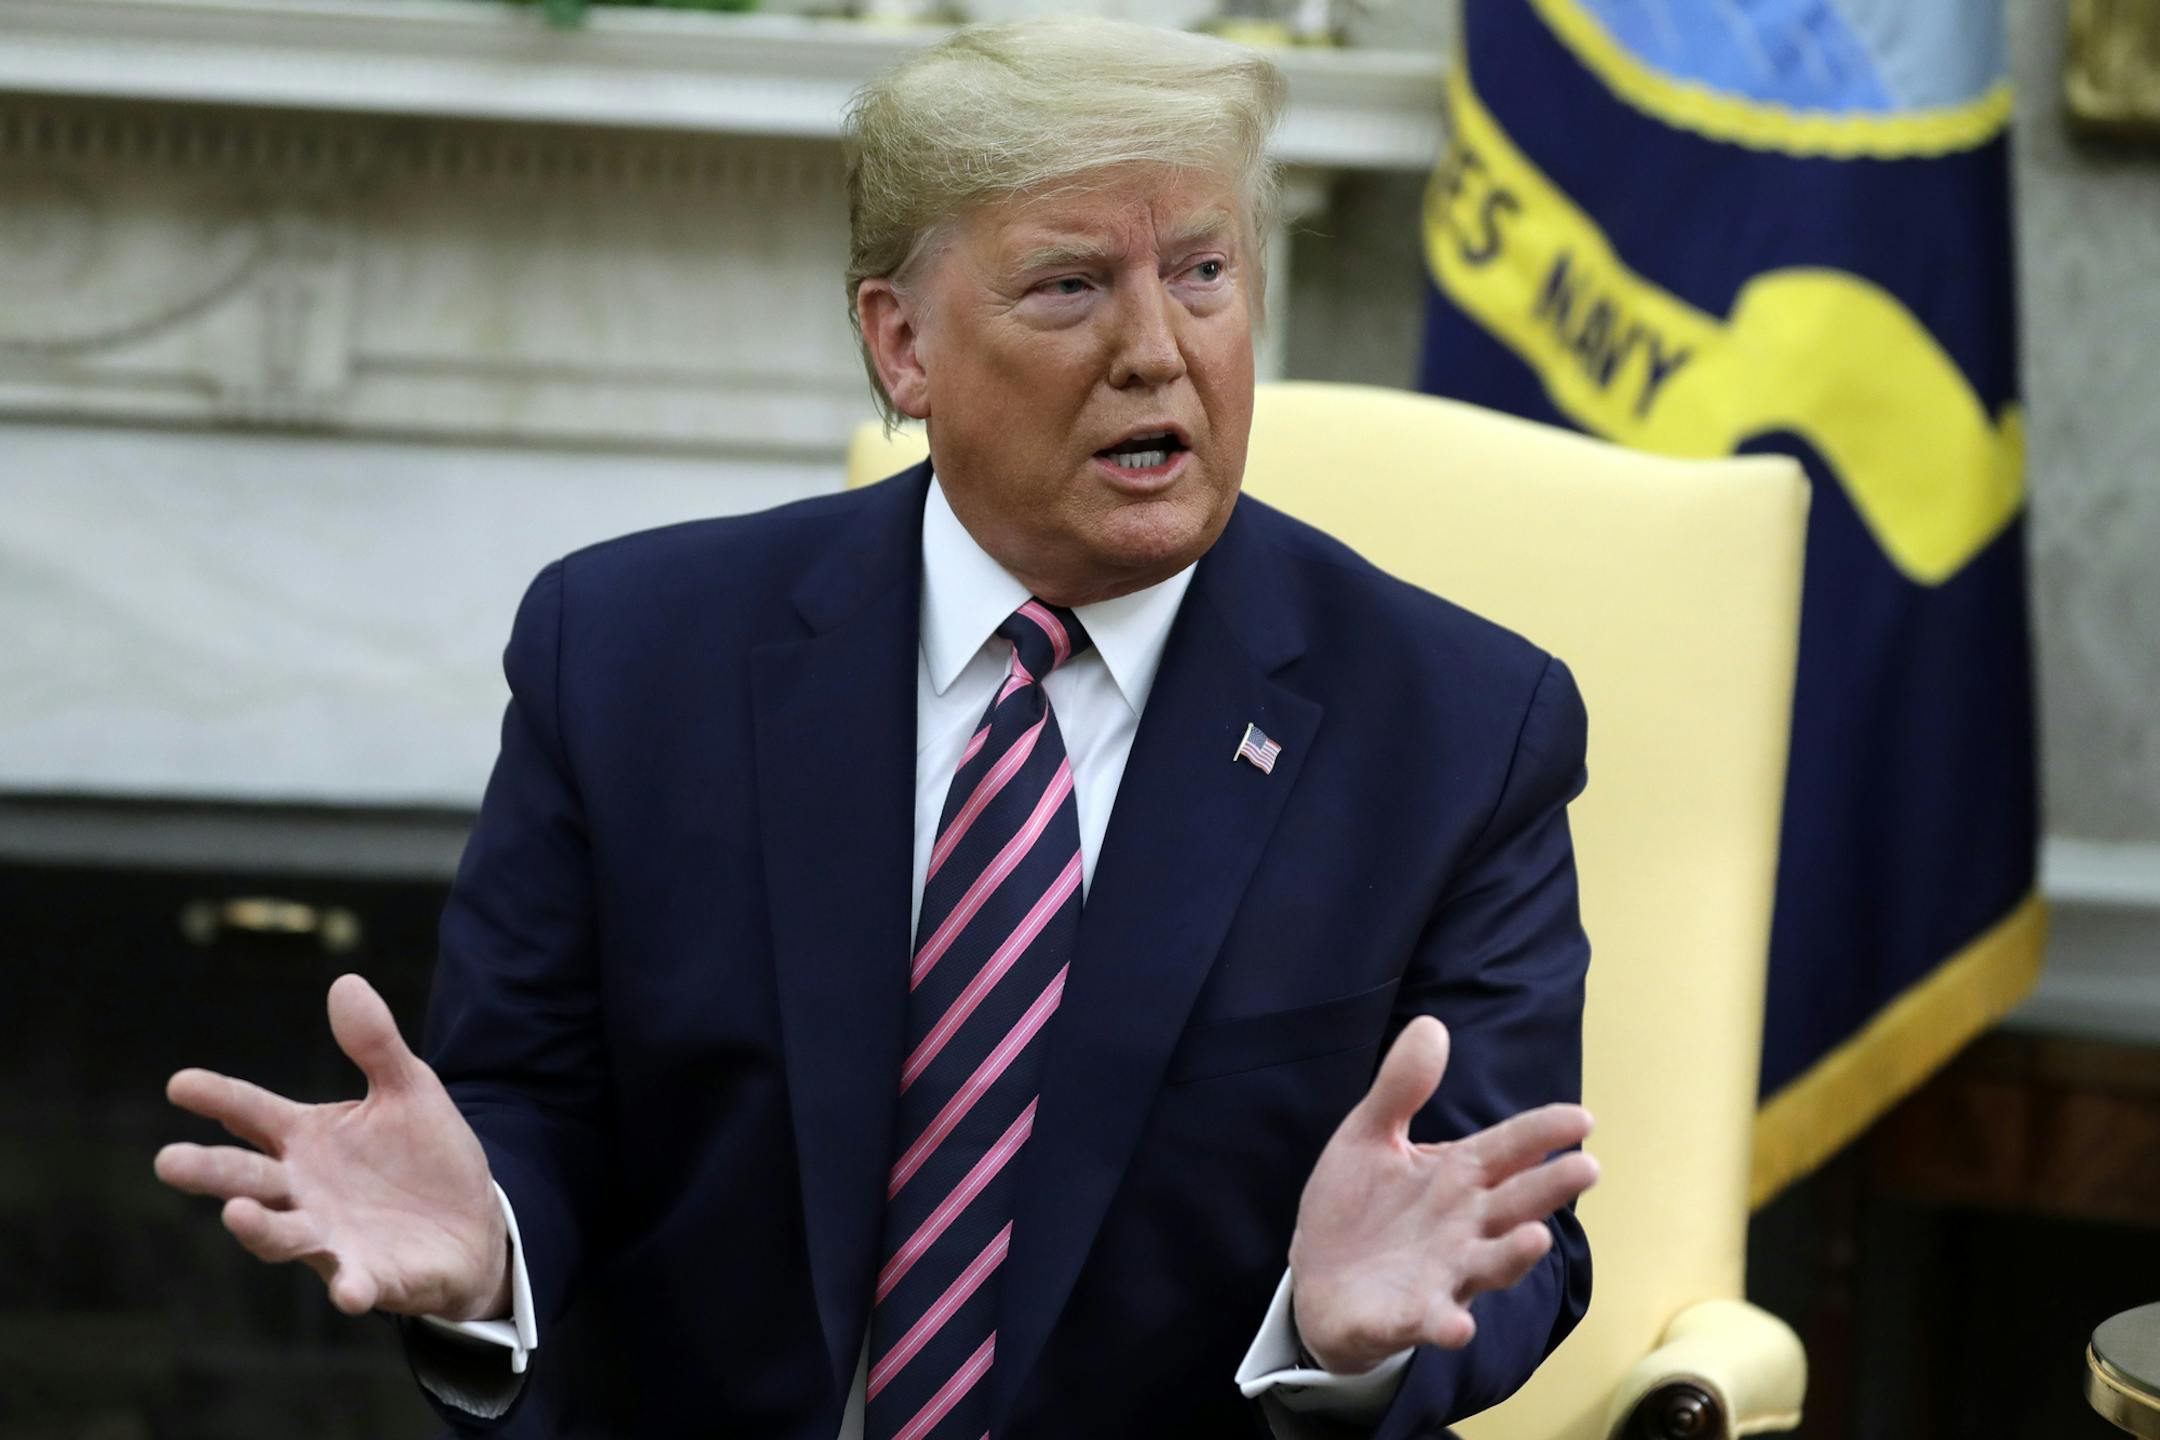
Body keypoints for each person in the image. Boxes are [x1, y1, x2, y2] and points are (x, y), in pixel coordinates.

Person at [153, 18, 1598, 1439]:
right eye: (1071, 286)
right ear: (902, 346)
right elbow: (532, 1104)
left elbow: (1498, 1218)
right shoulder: (633, 658)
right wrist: (490, 1252)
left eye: (1204, 272)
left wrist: (1341, 1340)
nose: (1158, 350)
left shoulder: (1458, 730)